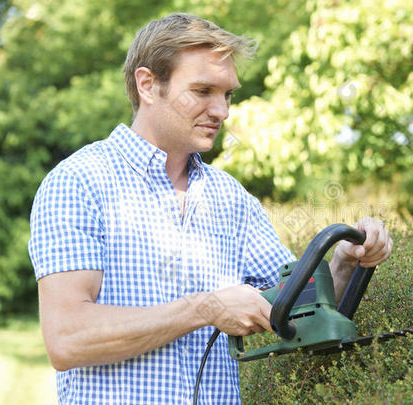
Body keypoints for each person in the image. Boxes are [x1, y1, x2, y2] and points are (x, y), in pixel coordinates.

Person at [28, 13, 393, 404]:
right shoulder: (79, 182)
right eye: (203, 91)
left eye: (228, 94)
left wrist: (343, 261)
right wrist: (205, 309)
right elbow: (67, 339)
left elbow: (295, 310)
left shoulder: (229, 197)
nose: (222, 111)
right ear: (148, 85)